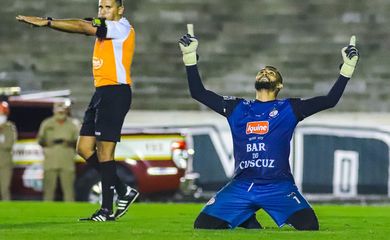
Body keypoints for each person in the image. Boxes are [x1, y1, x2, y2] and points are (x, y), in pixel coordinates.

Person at [179, 26, 359, 230]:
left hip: (278, 186)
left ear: (279, 85)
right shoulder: (236, 107)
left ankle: (245, 216)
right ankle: (246, 218)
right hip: (242, 185)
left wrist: (347, 69)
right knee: (204, 225)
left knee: (309, 226)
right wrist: (189, 57)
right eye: (262, 71)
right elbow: (198, 93)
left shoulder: (290, 108)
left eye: (271, 72)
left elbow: (329, 100)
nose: (265, 72)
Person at [16, 0, 139, 221]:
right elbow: (85, 22)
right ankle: (123, 190)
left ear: (120, 9)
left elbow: (84, 28)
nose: (102, 11)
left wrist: (48, 22)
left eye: (108, 7)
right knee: (83, 148)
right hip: (101, 92)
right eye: (100, 7)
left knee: (104, 152)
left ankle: (106, 210)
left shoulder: (121, 28)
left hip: (116, 92)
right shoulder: (106, 24)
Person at [37, 102, 79, 202]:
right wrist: (48, 142)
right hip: (50, 160)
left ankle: (70, 213)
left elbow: (79, 142)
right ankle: (46, 214)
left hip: (67, 160)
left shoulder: (73, 124)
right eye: (58, 109)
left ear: (66, 110)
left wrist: (68, 142)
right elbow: (40, 140)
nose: (61, 112)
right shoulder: (47, 123)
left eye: (63, 109)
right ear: (54, 110)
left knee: (69, 191)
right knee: (48, 191)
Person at [0, 101, 17, 201]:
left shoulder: (10, 127)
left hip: (5, 162)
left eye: (2, 113)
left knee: (4, 188)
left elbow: (8, 144)